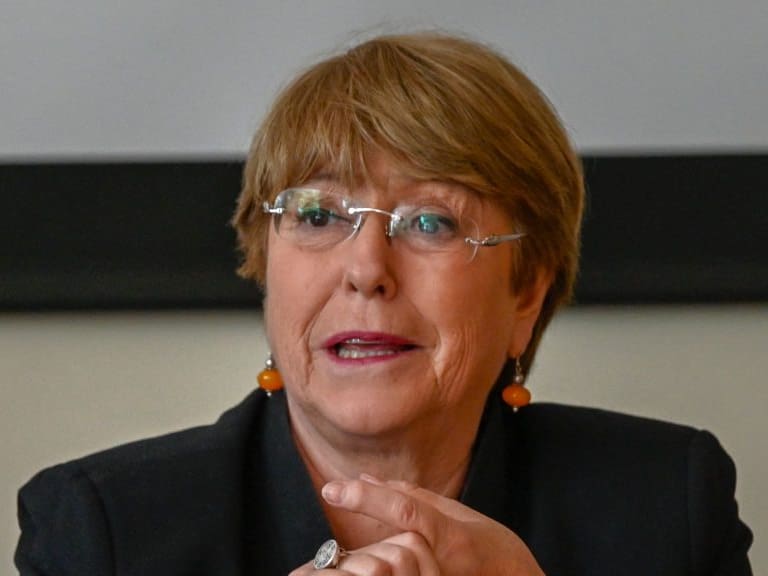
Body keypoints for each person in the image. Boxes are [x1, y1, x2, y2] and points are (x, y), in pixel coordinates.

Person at [15, 32, 752, 576]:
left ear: (526, 289)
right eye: (317, 215)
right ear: (264, 261)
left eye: (431, 221)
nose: (366, 270)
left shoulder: (667, 508)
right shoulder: (102, 533)